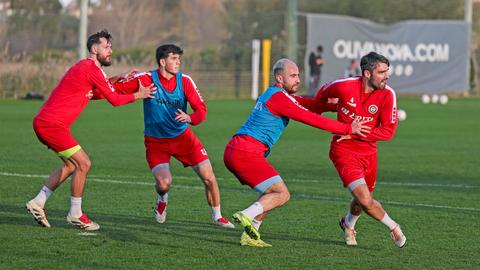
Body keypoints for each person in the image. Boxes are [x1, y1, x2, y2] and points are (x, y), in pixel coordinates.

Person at [224, 58, 371, 247]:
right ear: (279, 77)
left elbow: (309, 104)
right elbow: (310, 117)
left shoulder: (277, 95)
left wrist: (340, 106)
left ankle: (251, 235)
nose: (298, 80)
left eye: (298, 75)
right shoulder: (278, 97)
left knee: (271, 195)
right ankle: (246, 214)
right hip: (245, 152)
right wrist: (348, 128)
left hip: (238, 150)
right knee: (282, 194)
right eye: (293, 76)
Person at [26, 30, 155, 231]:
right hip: (51, 125)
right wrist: (140, 94)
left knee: (71, 166)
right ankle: (75, 214)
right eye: (106, 47)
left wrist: (117, 79)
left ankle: (38, 202)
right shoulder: (90, 69)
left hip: (47, 124)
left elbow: (94, 93)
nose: (110, 50)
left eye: (111, 47)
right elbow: (114, 100)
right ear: (95, 49)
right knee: (84, 164)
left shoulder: (88, 69)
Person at [112, 44, 234, 229]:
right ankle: (162, 200)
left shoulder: (185, 81)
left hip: (183, 138)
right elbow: (114, 91)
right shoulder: (145, 79)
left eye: (179, 59)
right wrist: (118, 80)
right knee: (164, 183)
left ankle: (217, 216)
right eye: (173, 59)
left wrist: (190, 118)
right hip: (156, 142)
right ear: (162, 62)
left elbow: (201, 110)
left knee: (209, 177)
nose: (178, 62)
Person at [297, 51, 407, 248]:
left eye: (387, 71)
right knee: (365, 199)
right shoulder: (343, 86)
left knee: (363, 201)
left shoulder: (388, 94)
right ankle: (394, 227)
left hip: (369, 153)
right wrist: (324, 107)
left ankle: (348, 224)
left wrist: (354, 132)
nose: (386, 76)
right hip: (343, 149)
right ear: (366, 73)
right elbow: (323, 93)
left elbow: (388, 132)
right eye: (381, 72)